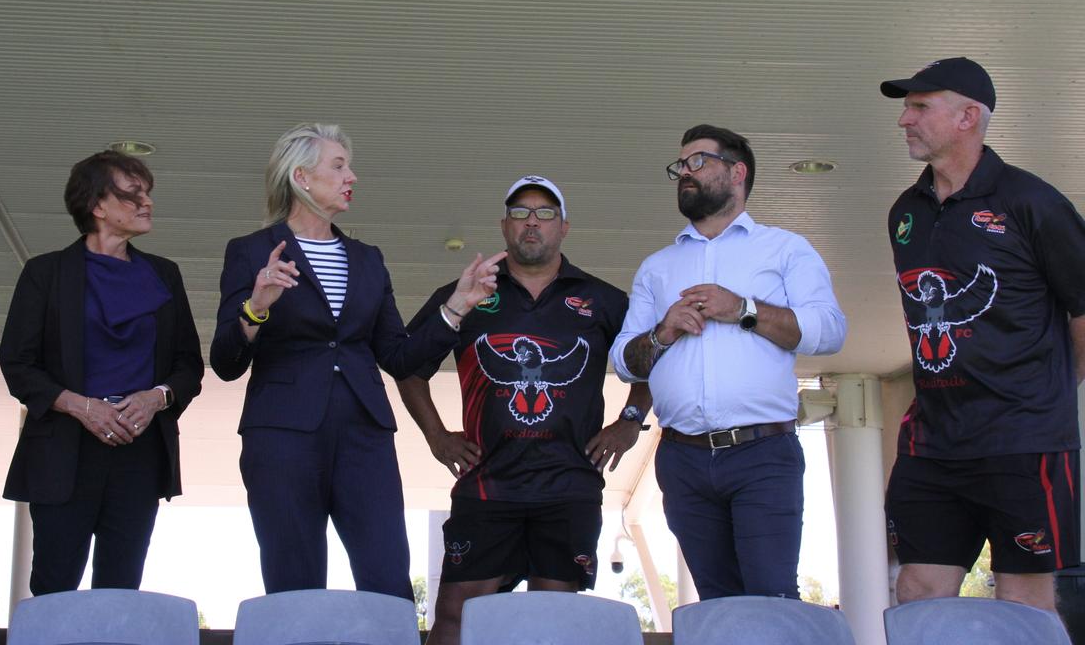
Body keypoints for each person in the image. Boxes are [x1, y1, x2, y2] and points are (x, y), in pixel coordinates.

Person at [209, 123, 505, 600]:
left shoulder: (368, 259)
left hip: (364, 437)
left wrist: (458, 306)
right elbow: (225, 362)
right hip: (282, 437)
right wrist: (256, 306)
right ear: (301, 177)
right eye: (339, 165)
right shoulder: (249, 253)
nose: (353, 177)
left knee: (387, 578)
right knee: (293, 584)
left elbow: (398, 354)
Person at [397, 176, 651, 645]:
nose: (531, 223)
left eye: (544, 213)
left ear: (564, 228)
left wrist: (629, 421)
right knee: (455, 614)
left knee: (552, 623)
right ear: (504, 226)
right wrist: (437, 436)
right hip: (488, 485)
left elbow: (650, 363)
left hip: (569, 483)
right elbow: (409, 368)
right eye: (520, 213)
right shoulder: (466, 294)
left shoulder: (604, 300)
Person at [879, 57, 1085, 611]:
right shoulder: (906, 211)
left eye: (921, 106)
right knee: (917, 592)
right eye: (906, 107)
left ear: (969, 116)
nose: (905, 119)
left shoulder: (1031, 202)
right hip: (933, 443)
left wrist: (1049, 394)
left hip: (1023, 440)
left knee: (1024, 596)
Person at [609, 124, 846, 600]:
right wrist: (664, 330)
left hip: (761, 454)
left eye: (698, 162)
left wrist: (744, 310)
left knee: (771, 597)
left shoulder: (784, 249)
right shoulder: (657, 267)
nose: (684, 173)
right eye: (680, 166)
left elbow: (830, 330)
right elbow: (624, 362)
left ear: (737, 172)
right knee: (718, 603)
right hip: (681, 458)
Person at [1, 150, 203, 595]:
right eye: (132, 194)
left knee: (121, 589)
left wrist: (156, 398)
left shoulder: (164, 274)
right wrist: (82, 406)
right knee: (54, 587)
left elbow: (189, 366)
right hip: (64, 450)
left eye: (148, 193)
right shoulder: (45, 273)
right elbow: (17, 363)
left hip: (140, 450)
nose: (146, 202)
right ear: (96, 205)